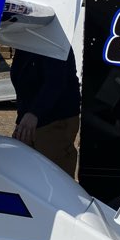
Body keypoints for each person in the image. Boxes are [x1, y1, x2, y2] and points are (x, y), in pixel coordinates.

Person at [10, 47, 80, 177]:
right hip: (32, 118)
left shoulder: (54, 41)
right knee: (27, 175)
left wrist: (34, 113)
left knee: (54, 177)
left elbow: (56, 81)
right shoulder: (25, 44)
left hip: (54, 120)